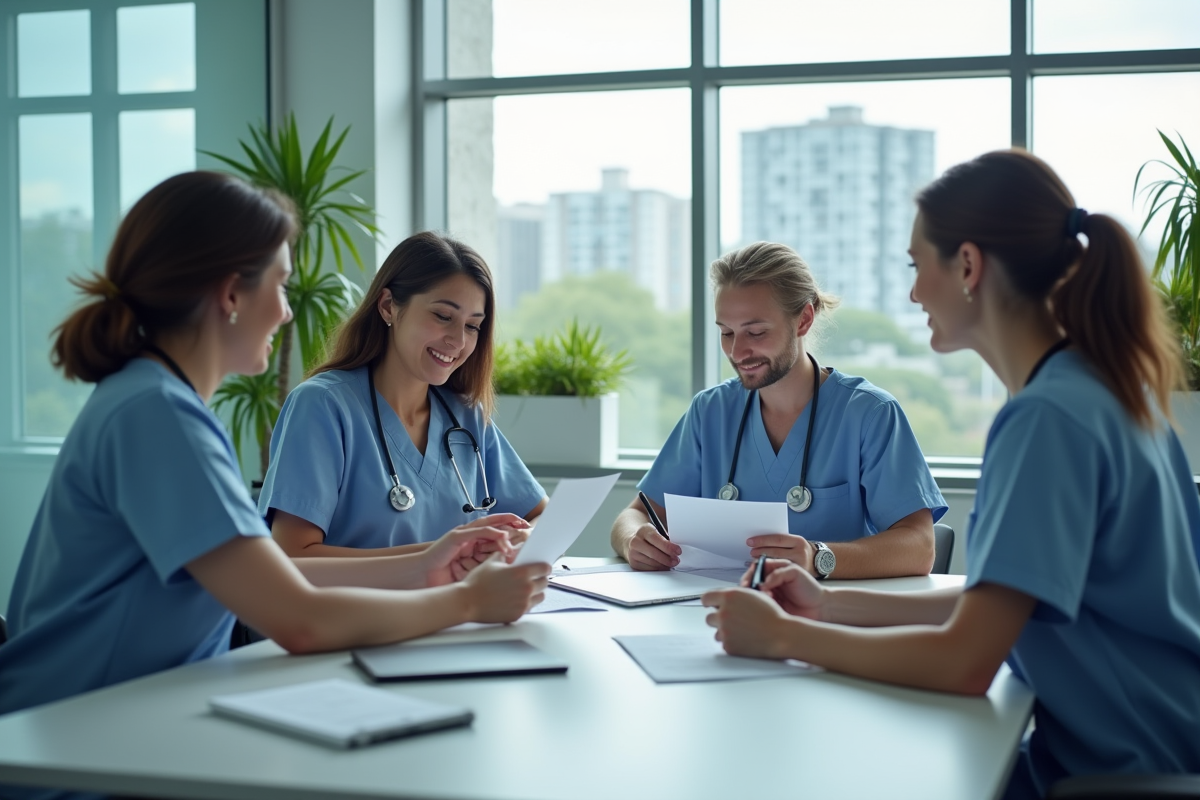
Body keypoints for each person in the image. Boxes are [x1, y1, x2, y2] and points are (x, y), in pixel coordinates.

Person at [703, 151, 1200, 798]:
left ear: (967, 265)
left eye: (917, 266)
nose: (911, 293)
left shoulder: (1046, 421)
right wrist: (826, 605)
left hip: (1124, 770)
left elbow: (967, 661)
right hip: (1147, 740)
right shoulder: (1098, 388)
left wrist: (785, 638)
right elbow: (998, 607)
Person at [0, 173, 549, 758]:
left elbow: (279, 578)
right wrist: (466, 602)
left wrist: (431, 561)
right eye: (282, 285)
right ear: (231, 293)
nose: (288, 313)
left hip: (135, 721)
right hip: (77, 747)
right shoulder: (157, 418)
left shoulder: (160, 404)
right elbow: (299, 618)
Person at [611, 241, 947, 579]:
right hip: (717, 615)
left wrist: (817, 557)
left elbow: (920, 547)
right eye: (726, 332)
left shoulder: (869, 414)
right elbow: (635, 515)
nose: (738, 351)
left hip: (829, 620)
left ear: (803, 319)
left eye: (756, 331)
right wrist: (632, 541)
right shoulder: (710, 412)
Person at [258, 232, 547, 561]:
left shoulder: (465, 416)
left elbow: (541, 515)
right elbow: (292, 557)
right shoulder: (323, 406)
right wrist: (445, 555)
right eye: (443, 316)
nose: (457, 340)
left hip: (465, 611)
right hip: (362, 612)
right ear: (388, 307)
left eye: (472, 326)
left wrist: (519, 540)